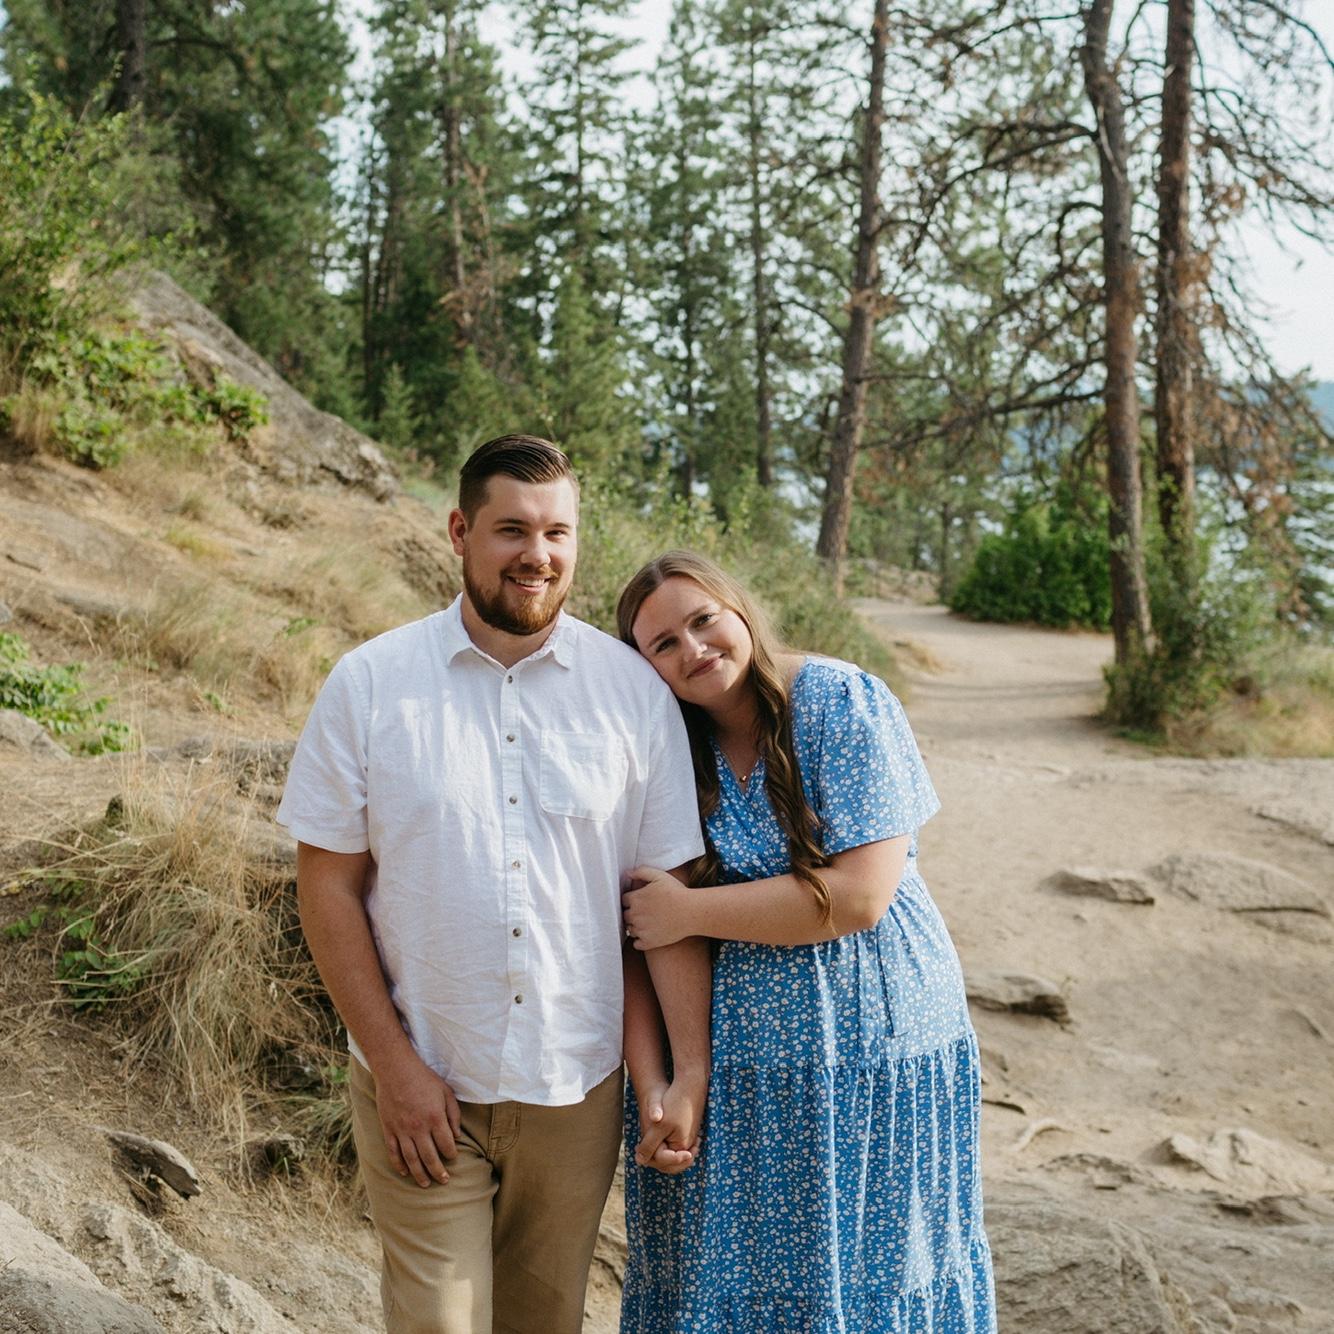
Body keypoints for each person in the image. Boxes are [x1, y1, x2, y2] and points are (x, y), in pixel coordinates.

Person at [276, 436, 711, 1334]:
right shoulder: (369, 685)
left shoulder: (634, 694)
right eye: (512, 529)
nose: (537, 555)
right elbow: (325, 889)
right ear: (459, 531)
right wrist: (395, 1068)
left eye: (558, 532)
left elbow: (661, 904)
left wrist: (679, 1074)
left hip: (576, 1087)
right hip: (425, 1076)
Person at [616, 550, 996, 1333]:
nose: (691, 650)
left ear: (739, 610)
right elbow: (642, 924)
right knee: (725, 1285)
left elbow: (859, 897)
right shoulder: (666, 747)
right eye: (662, 644)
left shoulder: (836, 700)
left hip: (874, 1051)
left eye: (702, 621)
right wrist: (667, 1076)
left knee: (874, 1279)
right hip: (740, 1063)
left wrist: (693, 913)